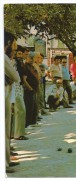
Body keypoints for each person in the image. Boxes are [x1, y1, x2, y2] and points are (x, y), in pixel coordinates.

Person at [5, 30, 21, 173]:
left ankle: (6, 160)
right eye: (14, 44)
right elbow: (16, 77)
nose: (15, 48)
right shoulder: (3, 58)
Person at [11, 45, 28, 140]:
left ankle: (16, 133)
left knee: (18, 111)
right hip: (15, 87)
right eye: (19, 53)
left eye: (21, 54)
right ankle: (18, 134)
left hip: (18, 87)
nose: (20, 56)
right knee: (21, 110)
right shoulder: (13, 62)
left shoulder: (19, 63)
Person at [23, 52, 40, 128]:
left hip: (34, 89)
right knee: (29, 106)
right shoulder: (25, 67)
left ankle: (33, 122)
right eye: (30, 58)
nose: (32, 60)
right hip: (29, 90)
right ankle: (28, 123)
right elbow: (24, 79)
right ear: (27, 58)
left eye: (33, 58)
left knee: (34, 106)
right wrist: (29, 88)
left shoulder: (32, 66)